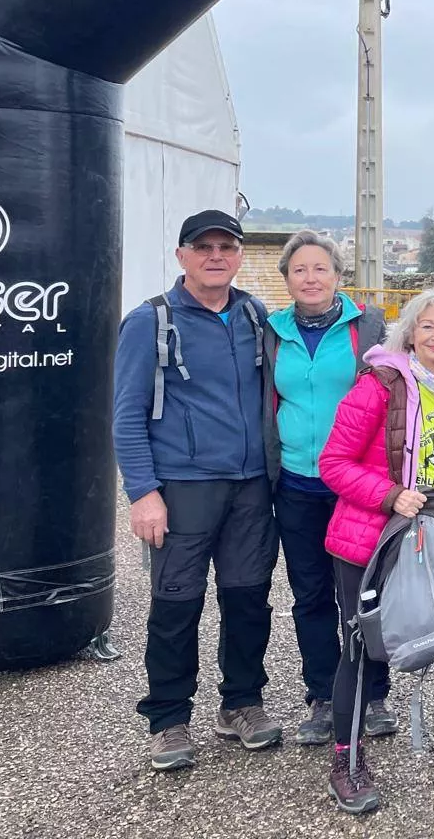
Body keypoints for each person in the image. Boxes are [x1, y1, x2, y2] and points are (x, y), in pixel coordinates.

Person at [319, 290, 434, 814]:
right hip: (373, 538)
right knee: (361, 646)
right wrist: (389, 494)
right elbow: (334, 462)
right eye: (428, 326)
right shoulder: (378, 385)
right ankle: (346, 760)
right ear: (409, 333)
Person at [113, 209, 280, 771]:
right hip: (182, 488)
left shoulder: (255, 315)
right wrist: (142, 492)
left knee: (248, 598)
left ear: (237, 256)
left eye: (226, 247)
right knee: (176, 602)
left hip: (251, 486)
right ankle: (167, 718)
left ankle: (240, 703)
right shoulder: (149, 322)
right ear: (181, 256)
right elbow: (126, 416)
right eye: (202, 247)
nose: (215, 256)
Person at [260, 230, 393, 746]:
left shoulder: (370, 326)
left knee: (364, 593)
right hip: (295, 483)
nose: (310, 278)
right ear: (287, 278)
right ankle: (322, 695)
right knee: (310, 593)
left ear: (339, 275)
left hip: (356, 483)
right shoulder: (271, 331)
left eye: (321, 268)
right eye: (300, 270)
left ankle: (373, 693)